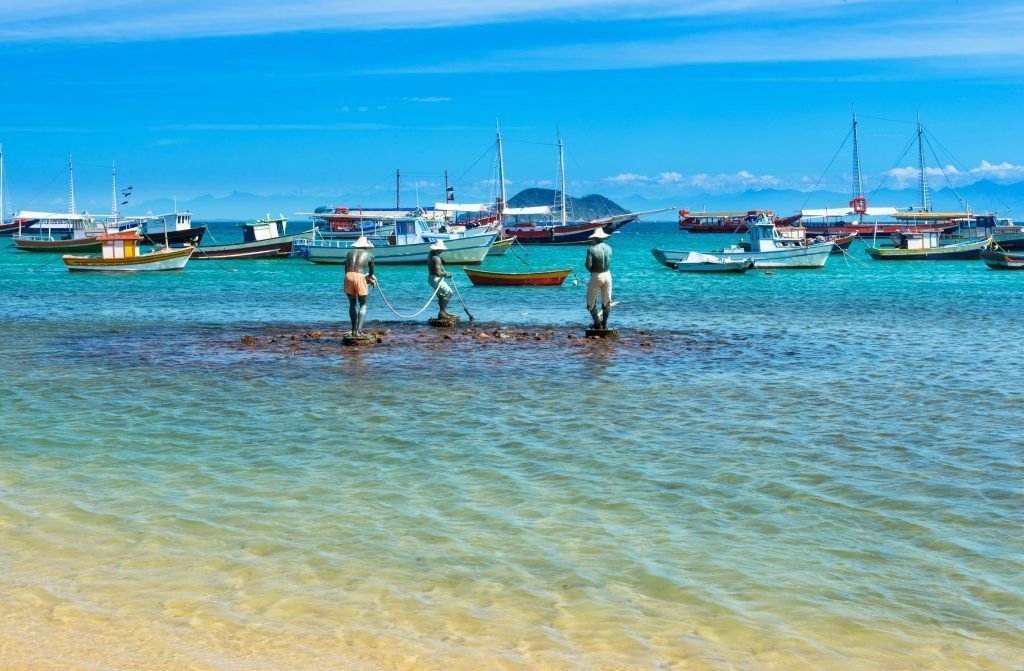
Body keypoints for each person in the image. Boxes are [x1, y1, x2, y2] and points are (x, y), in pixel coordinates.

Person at [344, 236, 376, 336]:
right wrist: (369, 278)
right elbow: (371, 271)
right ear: (366, 246)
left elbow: (346, 269)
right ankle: (359, 330)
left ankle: (353, 329)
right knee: (363, 304)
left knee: (352, 304)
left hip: (348, 276)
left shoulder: (349, 253)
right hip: (360, 276)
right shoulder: (369, 255)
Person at [585, 228, 614, 330]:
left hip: (597, 275)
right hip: (608, 275)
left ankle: (597, 323)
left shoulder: (591, 249)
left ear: (595, 238)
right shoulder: (609, 248)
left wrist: (592, 271)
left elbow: (588, 265)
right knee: (606, 301)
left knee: (590, 302)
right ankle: (605, 324)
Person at [426, 240, 455, 320]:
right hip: (435, 279)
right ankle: (442, 312)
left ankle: (443, 311)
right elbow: (438, 273)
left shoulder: (431, 254)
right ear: (438, 249)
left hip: (432, 278)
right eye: (441, 249)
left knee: (442, 295)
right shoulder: (436, 258)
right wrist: (446, 274)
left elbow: (440, 267)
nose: (443, 250)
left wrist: (444, 271)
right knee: (449, 293)